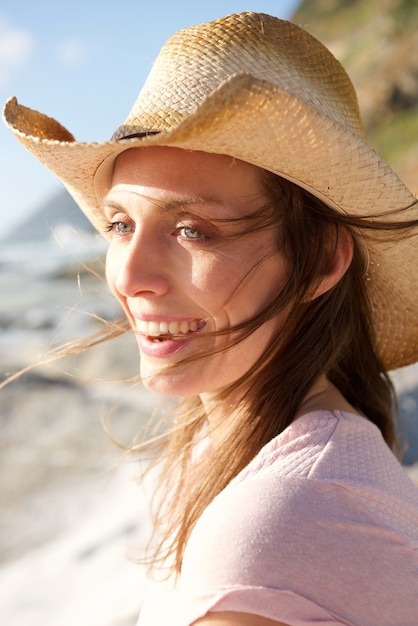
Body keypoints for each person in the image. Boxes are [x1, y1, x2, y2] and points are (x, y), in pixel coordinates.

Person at [3, 11, 418, 626]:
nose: (127, 275)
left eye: (193, 230)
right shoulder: (247, 447)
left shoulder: (285, 523)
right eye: (121, 224)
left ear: (321, 262)